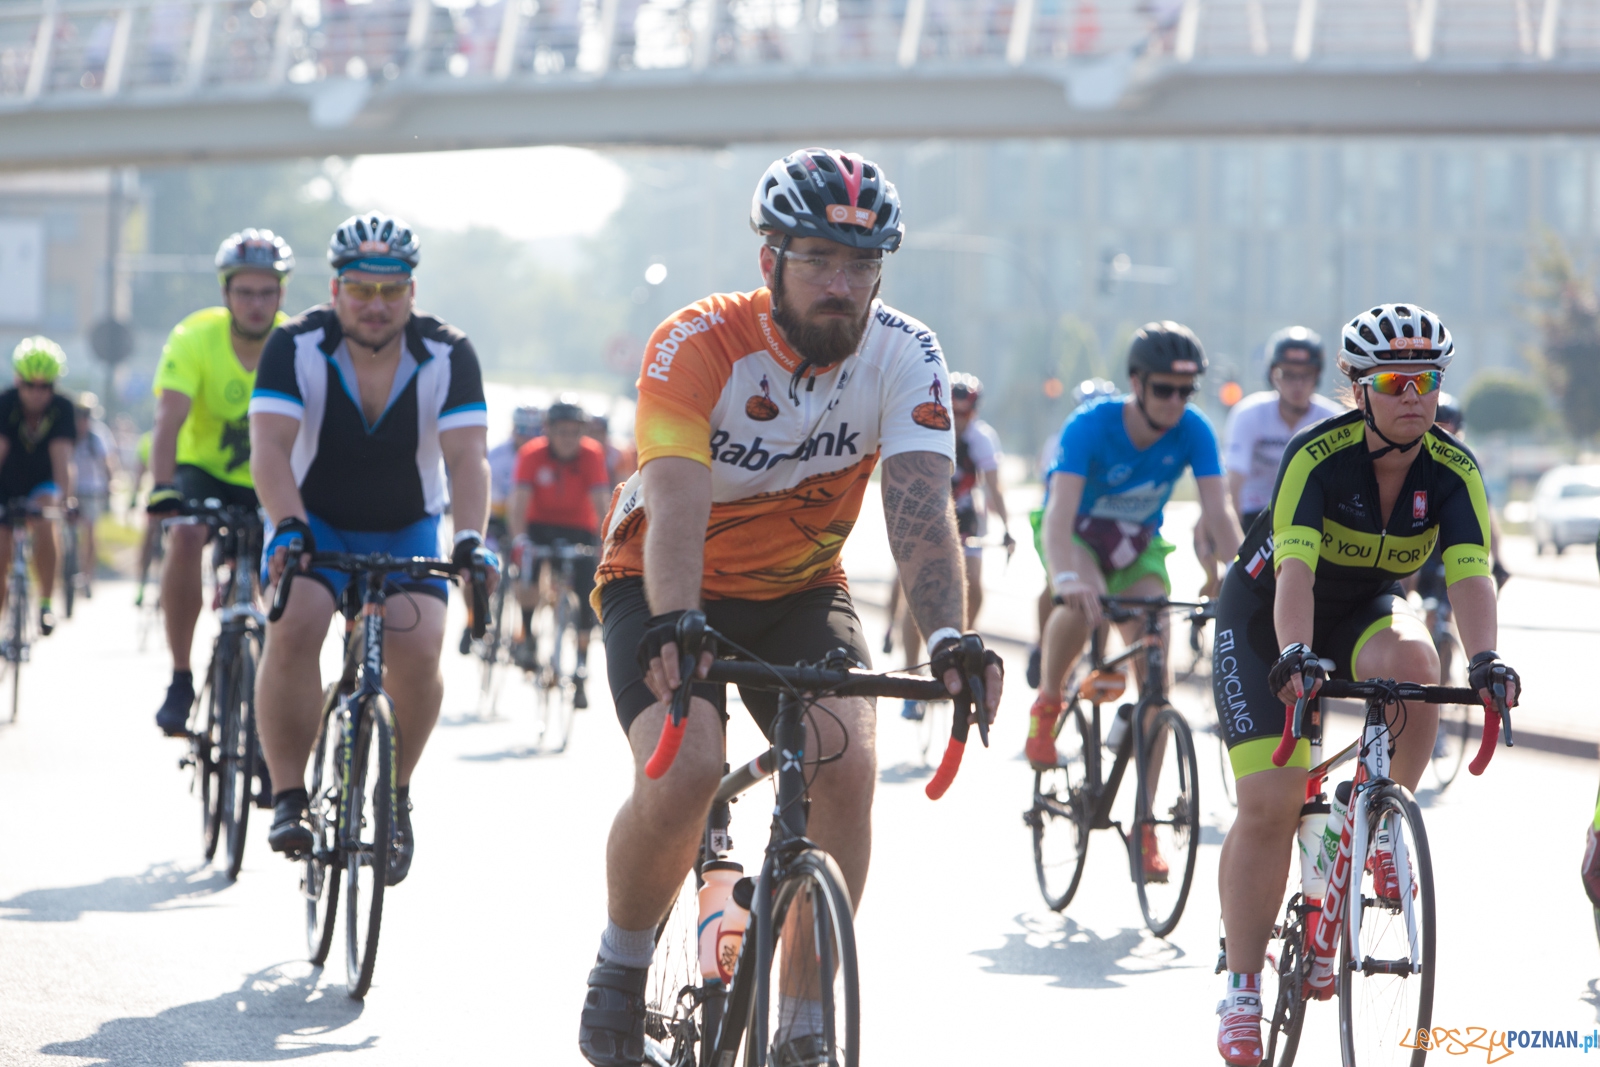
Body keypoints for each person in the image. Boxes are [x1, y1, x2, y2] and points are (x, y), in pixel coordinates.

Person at [577, 148, 1003, 1067]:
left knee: (845, 757)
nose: (841, 285)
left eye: (862, 264)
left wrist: (951, 637)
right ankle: (617, 965)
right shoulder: (696, 343)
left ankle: (803, 1019)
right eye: (819, 259)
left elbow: (923, 511)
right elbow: (679, 503)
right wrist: (677, 622)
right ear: (770, 257)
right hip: (662, 579)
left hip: (802, 588)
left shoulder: (908, 352)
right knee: (687, 769)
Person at [1210, 304, 1520, 1066]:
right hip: (1268, 616)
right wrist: (1293, 655)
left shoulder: (1453, 470)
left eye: (1428, 379)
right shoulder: (1318, 455)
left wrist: (1486, 661)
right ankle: (1243, 988)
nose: (1414, 394)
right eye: (1394, 380)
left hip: (1364, 608)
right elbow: (1295, 573)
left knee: (1420, 666)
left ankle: (1374, 817)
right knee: (1272, 799)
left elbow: (1472, 575)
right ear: (1358, 389)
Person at [250, 212, 492, 886]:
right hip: (311, 518)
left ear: (412, 292)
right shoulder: (294, 345)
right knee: (296, 623)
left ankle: (397, 792)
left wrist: (471, 538)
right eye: (361, 290)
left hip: (406, 523)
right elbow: (269, 450)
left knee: (420, 648)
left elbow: (467, 460)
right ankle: (291, 792)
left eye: (392, 291)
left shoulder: (449, 352)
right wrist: (289, 527)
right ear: (334, 289)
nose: (376, 305)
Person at [1029, 323, 1243, 878]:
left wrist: (1248, 578)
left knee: (1157, 681)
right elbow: (1057, 515)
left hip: (1136, 547)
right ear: (1136, 384)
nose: (1176, 402)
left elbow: (1219, 514)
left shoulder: (1194, 430)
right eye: (1164, 389)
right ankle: (1049, 700)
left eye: (1186, 391)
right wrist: (1065, 578)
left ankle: (1144, 828)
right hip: (1076, 535)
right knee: (1081, 601)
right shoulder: (1091, 426)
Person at [146, 230, 291, 736]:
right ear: (226, 293)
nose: (256, 303)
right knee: (184, 535)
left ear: (281, 295)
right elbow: (168, 420)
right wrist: (162, 486)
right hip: (203, 469)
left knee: (295, 565)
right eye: (245, 292)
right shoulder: (193, 337)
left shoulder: (295, 344)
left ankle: (276, 697)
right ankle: (182, 677)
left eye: (267, 292)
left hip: (271, 477)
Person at [887, 370, 1014, 719]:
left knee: (975, 591)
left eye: (966, 414)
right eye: (954, 412)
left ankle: (957, 647)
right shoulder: (928, 428)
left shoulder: (982, 439)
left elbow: (994, 486)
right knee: (918, 596)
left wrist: (1007, 527)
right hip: (928, 515)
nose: (960, 420)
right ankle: (912, 675)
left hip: (964, 516)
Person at [507, 396, 611, 709]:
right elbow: (518, 503)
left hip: (579, 528)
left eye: (574, 431)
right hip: (540, 525)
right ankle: (527, 634)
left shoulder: (592, 455)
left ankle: (580, 666)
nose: (568, 438)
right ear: (549, 430)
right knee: (528, 579)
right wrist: (520, 539)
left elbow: (602, 503)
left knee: (586, 591)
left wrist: (605, 544)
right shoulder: (532, 454)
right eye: (562, 431)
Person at [1024, 377, 1117, 688]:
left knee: (1101, 597)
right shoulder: (1064, 436)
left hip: (1099, 526)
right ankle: (1042, 644)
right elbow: (1050, 488)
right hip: (1065, 521)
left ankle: (1098, 658)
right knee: (1054, 585)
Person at [1221, 326, 1345, 532]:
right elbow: (1233, 481)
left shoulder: (1332, 418)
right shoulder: (1248, 414)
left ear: (1318, 376)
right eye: (1287, 374)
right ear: (1272, 375)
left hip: (1307, 515)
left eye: (1306, 374)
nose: (1297, 384)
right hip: (1254, 513)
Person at [0, 338, 77, 635]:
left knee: (47, 517)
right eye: (29, 385)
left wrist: (65, 500)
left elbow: (62, 458)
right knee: (1, 548)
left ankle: (45, 601)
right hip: (6, 483)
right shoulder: (5, 404)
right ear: (18, 381)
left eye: (45, 387)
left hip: (41, 483)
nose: (37, 393)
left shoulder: (63, 408)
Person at [70, 392, 118, 600]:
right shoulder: (69, 434)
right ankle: (67, 572)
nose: (83, 419)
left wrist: (110, 485)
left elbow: (108, 463)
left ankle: (87, 576)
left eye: (86, 415)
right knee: (67, 533)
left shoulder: (98, 435)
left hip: (92, 490)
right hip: (72, 489)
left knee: (89, 532)